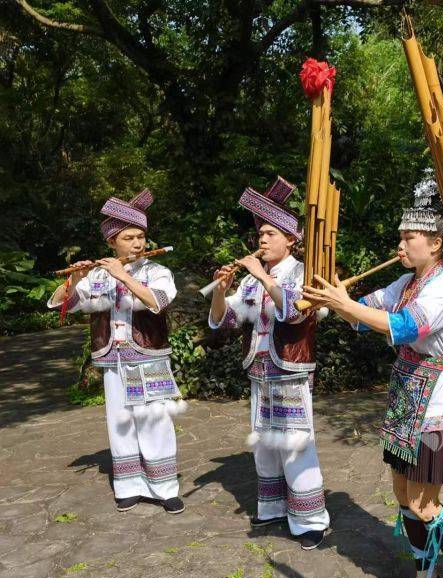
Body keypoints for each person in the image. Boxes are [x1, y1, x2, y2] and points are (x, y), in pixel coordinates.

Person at [302, 170, 443, 578]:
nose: (400, 245)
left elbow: (400, 325)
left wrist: (345, 305)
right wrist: (335, 300)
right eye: (400, 237)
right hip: (405, 399)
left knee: (424, 504)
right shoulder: (407, 282)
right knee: (402, 495)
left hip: (435, 404)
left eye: (409, 237)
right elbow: (365, 315)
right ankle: (426, 571)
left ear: (435, 243)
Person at [208, 177, 330, 550]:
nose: (261, 240)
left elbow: (295, 312)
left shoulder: (306, 271)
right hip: (260, 370)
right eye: (260, 233)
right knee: (265, 441)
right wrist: (219, 291)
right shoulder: (248, 280)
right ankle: (274, 506)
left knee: (294, 442)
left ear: (291, 239)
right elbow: (226, 320)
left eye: (270, 233)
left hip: (290, 370)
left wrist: (261, 275)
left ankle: (310, 518)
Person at [48, 190, 185, 514]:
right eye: (129, 237)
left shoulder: (156, 272)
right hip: (113, 358)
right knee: (120, 421)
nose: (137, 244)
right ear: (113, 242)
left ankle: (165, 487)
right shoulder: (95, 273)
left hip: (148, 356)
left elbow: (159, 302)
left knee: (154, 420)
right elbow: (61, 302)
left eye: (141, 236)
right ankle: (129, 485)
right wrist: (76, 277)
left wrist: (123, 276)